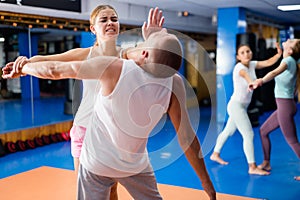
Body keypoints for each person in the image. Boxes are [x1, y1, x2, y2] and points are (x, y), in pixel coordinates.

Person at [3, 27, 217, 199]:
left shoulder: (114, 68)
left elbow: (54, 70)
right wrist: (206, 182)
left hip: (97, 163)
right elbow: (187, 138)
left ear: (143, 52)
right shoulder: (175, 83)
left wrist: (23, 69)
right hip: (135, 167)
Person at [5, 5, 165, 199]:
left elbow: (149, 58)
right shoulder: (85, 54)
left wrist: (152, 40)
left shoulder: (126, 54)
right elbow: (50, 60)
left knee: (112, 190)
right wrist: (24, 63)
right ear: (93, 28)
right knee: (88, 191)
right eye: (104, 20)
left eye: (114, 19)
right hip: (84, 129)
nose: (110, 23)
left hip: (112, 134)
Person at [210, 43, 282, 175]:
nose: (246, 54)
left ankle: (215, 154)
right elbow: (246, 76)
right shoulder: (239, 68)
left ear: (251, 52)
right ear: (238, 56)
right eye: (242, 53)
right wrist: (251, 83)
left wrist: (278, 55)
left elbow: (267, 63)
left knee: (228, 131)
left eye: (248, 51)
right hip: (236, 106)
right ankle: (252, 167)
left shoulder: (253, 64)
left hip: (241, 106)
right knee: (248, 134)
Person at [249, 39, 300, 180]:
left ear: (290, 50)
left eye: (291, 41)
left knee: (292, 141)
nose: (288, 39)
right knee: (263, 131)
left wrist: (260, 81)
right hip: (284, 106)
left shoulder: (289, 60)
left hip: (285, 106)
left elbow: (273, 73)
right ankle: (266, 163)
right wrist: (279, 54)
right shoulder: (289, 60)